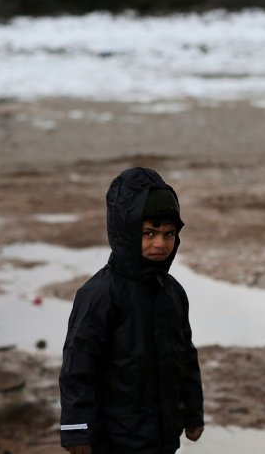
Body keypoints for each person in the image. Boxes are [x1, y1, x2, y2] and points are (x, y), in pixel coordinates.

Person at [60, 167, 204, 454]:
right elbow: (78, 368)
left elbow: (185, 357)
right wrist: (77, 431)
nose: (160, 244)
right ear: (125, 231)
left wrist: (193, 412)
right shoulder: (99, 295)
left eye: (169, 234)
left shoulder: (173, 293)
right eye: (148, 233)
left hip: (163, 436)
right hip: (114, 439)